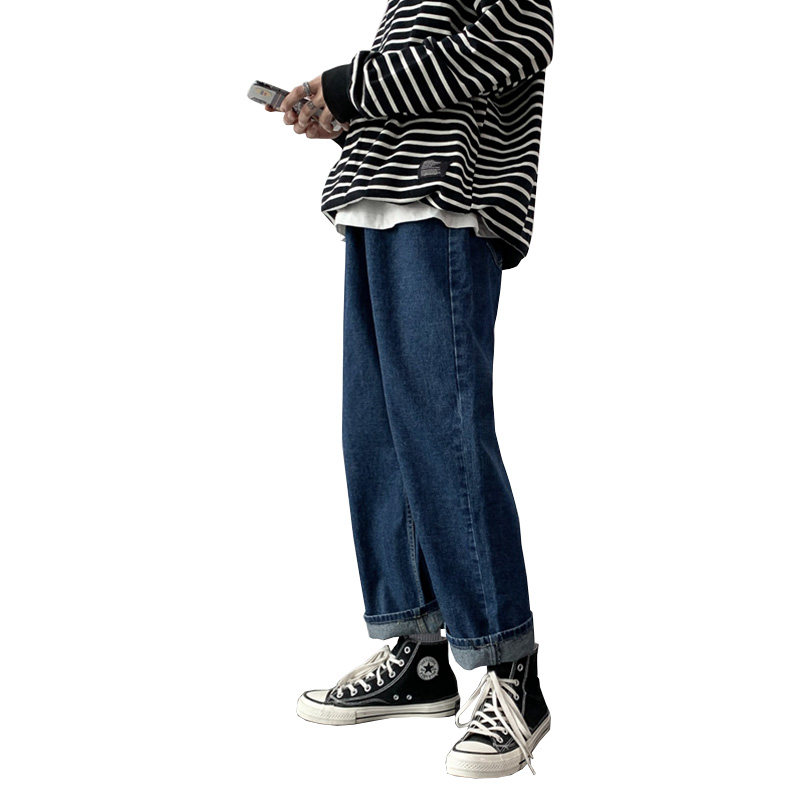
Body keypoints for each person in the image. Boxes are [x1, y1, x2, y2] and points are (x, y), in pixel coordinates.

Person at [268, 0, 555, 780]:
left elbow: (506, 47)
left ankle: (512, 671)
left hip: (443, 208)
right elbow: (418, 97)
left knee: (443, 437)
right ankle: (421, 652)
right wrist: (343, 118)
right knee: (378, 438)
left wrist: (348, 85)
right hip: (375, 209)